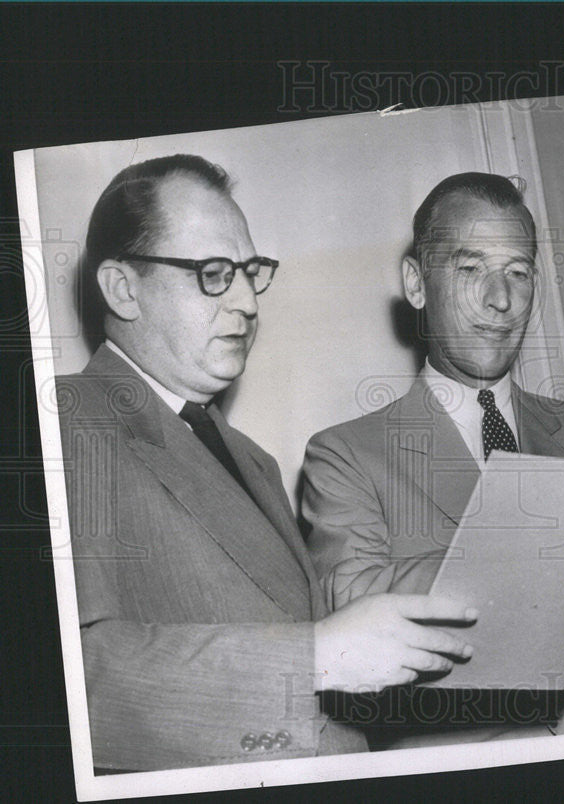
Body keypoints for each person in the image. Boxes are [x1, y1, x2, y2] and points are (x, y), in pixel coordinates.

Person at [57, 155, 477, 771]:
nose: (249, 302)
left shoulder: (252, 460)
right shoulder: (62, 421)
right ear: (123, 289)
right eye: (213, 273)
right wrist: (315, 657)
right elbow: (73, 683)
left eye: (251, 272)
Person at [302, 172, 564, 746]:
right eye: (470, 270)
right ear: (417, 284)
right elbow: (352, 606)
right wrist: (541, 554)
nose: (500, 300)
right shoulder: (346, 454)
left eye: (518, 273)